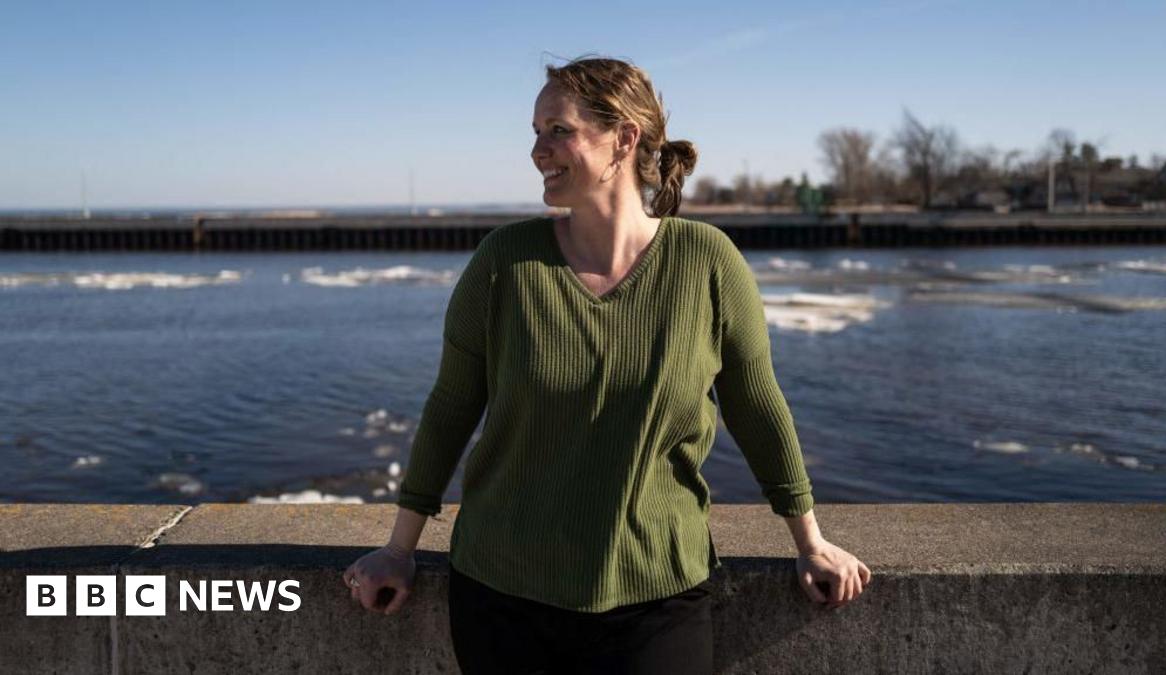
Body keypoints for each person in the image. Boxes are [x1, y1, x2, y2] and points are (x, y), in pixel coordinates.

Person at [343, 55, 871, 674]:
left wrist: (809, 542)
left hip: (659, 593)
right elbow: (452, 407)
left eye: (558, 130)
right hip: (502, 592)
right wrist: (400, 548)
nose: (538, 150)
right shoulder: (505, 262)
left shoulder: (707, 261)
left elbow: (757, 407)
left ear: (624, 137)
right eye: (535, 132)